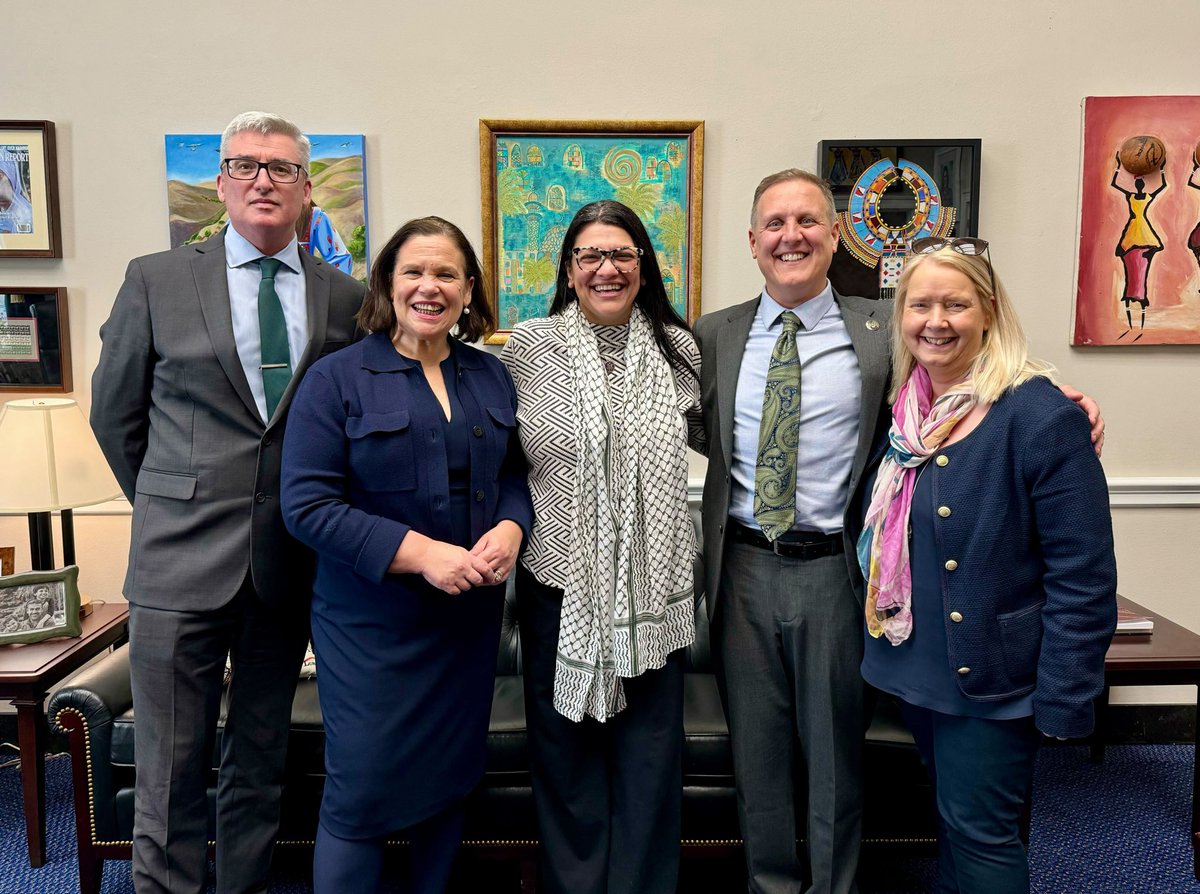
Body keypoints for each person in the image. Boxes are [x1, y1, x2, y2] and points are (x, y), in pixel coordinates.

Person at [693, 169, 1104, 894]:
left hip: (834, 573)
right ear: (753, 241)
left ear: (836, 234)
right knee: (756, 759)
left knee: (834, 759)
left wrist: (1064, 395)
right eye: (775, 224)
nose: (792, 236)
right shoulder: (712, 335)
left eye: (809, 221)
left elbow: (972, 375)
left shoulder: (884, 330)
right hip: (742, 568)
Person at [91, 111, 365, 894]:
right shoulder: (157, 278)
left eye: (281, 168)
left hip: (287, 565)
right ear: (221, 182)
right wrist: (168, 499)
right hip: (177, 564)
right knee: (169, 768)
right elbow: (116, 418)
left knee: (259, 758)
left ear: (309, 189)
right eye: (245, 166)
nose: (263, 181)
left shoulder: (344, 298)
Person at [854, 237, 1117, 893]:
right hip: (919, 667)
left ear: (989, 311)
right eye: (920, 305)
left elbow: (1083, 577)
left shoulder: (1039, 415)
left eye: (955, 304)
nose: (934, 321)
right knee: (956, 825)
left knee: (982, 836)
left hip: (993, 679)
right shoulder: (905, 412)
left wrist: (1065, 698)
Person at [281, 216, 532, 894]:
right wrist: (421, 554)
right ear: (388, 283)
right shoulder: (336, 380)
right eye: (414, 272)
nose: (430, 286)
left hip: (465, 626)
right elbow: (306, 506)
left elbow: (515, 476)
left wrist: (511, 529)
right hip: (371, 628)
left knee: (448, 786)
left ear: (469, 287)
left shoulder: (490, 376)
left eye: (447, 273)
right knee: (360, 795)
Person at [500, 199, 704, 894]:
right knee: (566, 760)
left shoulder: (682, 351)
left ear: (644, 267)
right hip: (559, 586)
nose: (606, 268)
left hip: (656, 591)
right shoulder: (528, 348)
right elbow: (496, 460)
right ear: (569, 268)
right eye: (591, 256)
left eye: (621, 255)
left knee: (649, 761)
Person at [1111, 155, 1165, 338]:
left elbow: (1116, 184)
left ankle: (1137, 325)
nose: (1140, 185)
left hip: (1138, 229)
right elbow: (1161, 187)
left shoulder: (1134, 196)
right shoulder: (1138, 196)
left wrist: (1119, 167)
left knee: (1136, 276)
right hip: (1138, 229)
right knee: (1133, 276)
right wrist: (1118, 165)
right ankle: (1136, 324)